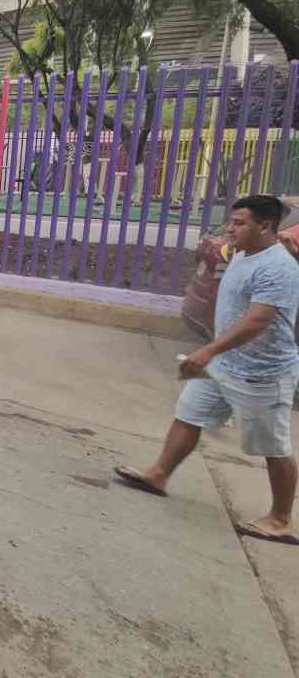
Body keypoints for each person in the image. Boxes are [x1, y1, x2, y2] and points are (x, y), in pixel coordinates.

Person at [115, 195, 299, 546]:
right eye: (231, 222)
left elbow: (258, 321)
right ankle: (158, 474)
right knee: (188, 414)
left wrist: (207, 350)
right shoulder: (244, 254)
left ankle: (280, 519)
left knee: (273, 446)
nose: (230, 228)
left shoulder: (278, 268)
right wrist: (214, 355)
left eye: (239, 223)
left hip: (261, 373)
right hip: (224, 363)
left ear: (264, 226)